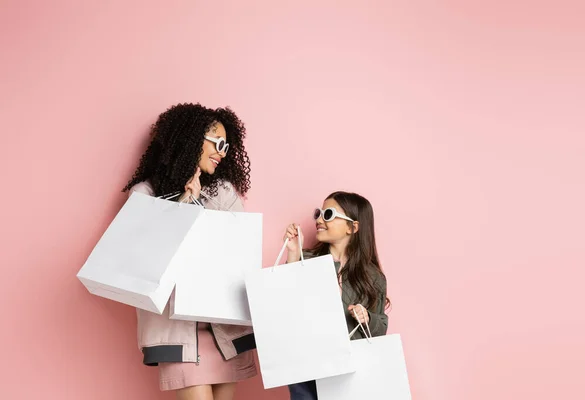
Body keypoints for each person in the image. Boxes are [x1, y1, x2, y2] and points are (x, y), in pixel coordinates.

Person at [123, 103, 256, 400]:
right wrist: (184, 206)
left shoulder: (222, 192)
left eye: (227, 146)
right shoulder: (145, 194)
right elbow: (140, 259)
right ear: (193, 140)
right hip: (177, 332)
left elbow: (239, 248)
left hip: (224, 330)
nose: (223, 152)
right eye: (217, 143)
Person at [283, 191, 390, 400]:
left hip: (350, 370)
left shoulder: (373, 277)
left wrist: (367, 317)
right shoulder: (306, 259)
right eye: (319, 213)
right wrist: (293, 255)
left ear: (353, 227)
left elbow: (380, 330)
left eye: (329, 214)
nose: (320, 220)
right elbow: (286, 304)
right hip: (307, 366)